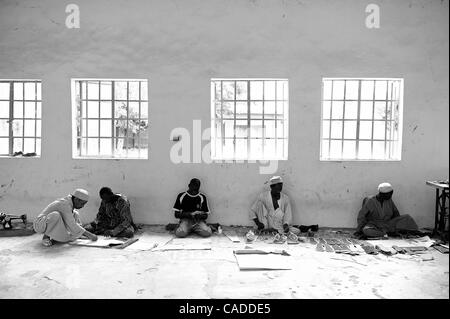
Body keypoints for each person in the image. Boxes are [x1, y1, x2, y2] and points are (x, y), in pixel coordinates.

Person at [33, 189, 98, 247]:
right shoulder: (65, 204)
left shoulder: (70, 204)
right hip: (39, 224)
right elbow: (71, 224)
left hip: (47, 222)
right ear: (76, 200)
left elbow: (73, 223)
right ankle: (46, 236)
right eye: (82, 203)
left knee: (75, 213)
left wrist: (82, 233)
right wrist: (90, 235)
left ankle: (55, 236)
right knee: (56, 215)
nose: (83, 206)